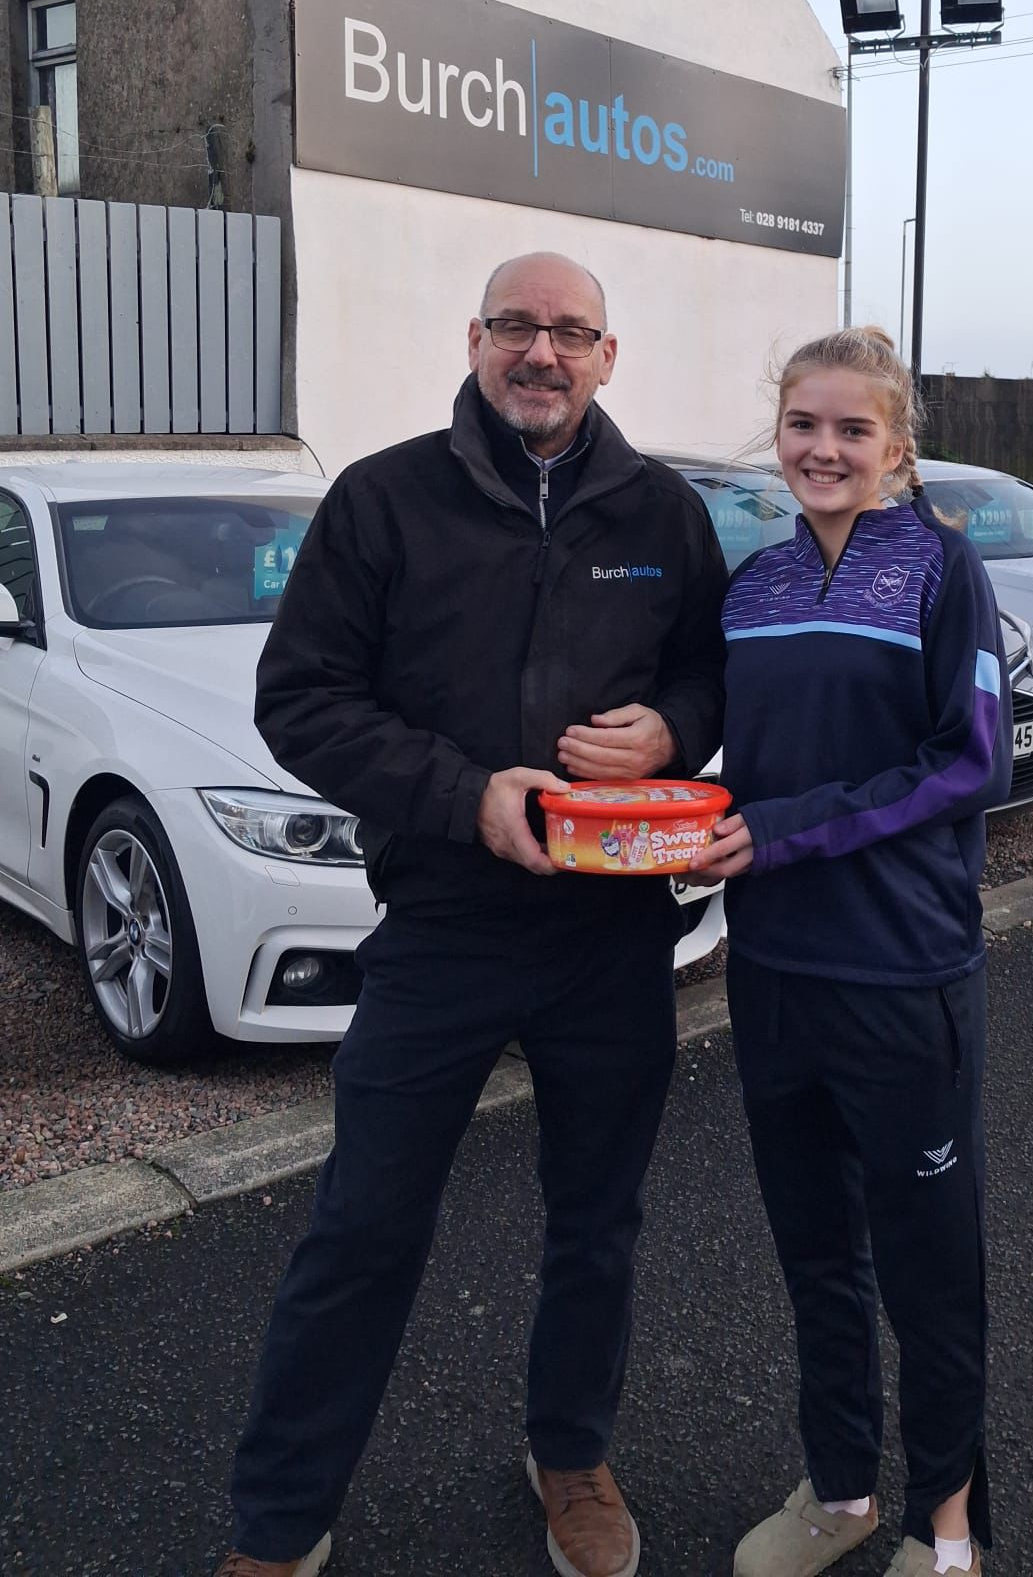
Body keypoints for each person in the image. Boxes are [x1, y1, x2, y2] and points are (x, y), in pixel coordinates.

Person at [217, 253, 727, 1577]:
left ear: (607, 356)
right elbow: (301, 700)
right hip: (441, 926)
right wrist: (464, 796)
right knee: (363, 1224)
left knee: (596, 1224)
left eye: (569, 332)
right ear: (475, 339)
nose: (540, 352)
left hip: (612, 935)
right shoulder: (383, 499)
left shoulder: (662, 511)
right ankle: (281, 1521)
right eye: (516, 326)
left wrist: (672, 729)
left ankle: (570, 1455)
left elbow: (709, 673)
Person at [687, 326, 1013, 1577]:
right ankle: (841, 1490)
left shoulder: (942, 569)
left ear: (896, 445)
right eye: (803, 425)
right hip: (775, 972)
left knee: (930, 1266)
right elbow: (735, 750)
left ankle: (948, 1523)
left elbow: (967, 762)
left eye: (852, 429)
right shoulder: (754, 584)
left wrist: (782, 831)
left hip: (901, 970)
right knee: (816, 1252)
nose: (823, 450)